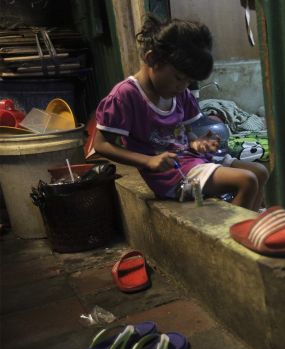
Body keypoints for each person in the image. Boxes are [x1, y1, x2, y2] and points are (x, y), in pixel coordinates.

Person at [93, 15, 268, 210]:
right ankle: (231, 236)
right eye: (178, 78)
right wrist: (148, 161)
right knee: (247, 180)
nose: (183, 86)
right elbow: (100, 145)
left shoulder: (180, 94)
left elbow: (185, 132)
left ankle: (249, 225)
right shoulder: (126, 96)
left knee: (260, 171)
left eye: (188, 81)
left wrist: (197, 143)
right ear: (152, 59)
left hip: (194, 160)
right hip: (172, 175)